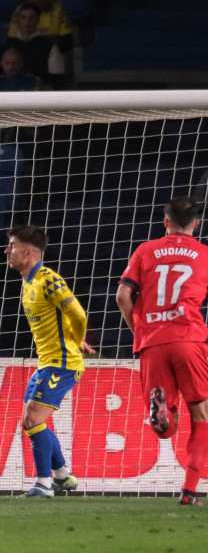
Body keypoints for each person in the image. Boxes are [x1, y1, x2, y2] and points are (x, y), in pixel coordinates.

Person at [116, 196, 208, 506]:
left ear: (165, 222)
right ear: (196, 224)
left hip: (152, 340)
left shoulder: (145, 250)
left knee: (167, 428)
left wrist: (140, 331)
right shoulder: (204, 254)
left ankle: (162, 412)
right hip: (189, 339)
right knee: (202, 416)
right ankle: (189, 491)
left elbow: (122, 296)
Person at [5, 225, 93, 498]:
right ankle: (62, 476)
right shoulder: (28, 280)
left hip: (62, 363)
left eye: (12, 245)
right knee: (30, 421)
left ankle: (44, 485)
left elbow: (79, 314)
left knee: (33, 419)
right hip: (48, 362)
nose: (7, 250)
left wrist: (77, 340)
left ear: (27, 252)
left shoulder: (49, 280)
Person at [4, 3, 64, 90]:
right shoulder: (9, 44)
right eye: (23, 18)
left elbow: (57, 76)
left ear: (37, 21)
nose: (27, 22)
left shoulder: (48, 45)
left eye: (31, 18)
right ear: (18, 21)